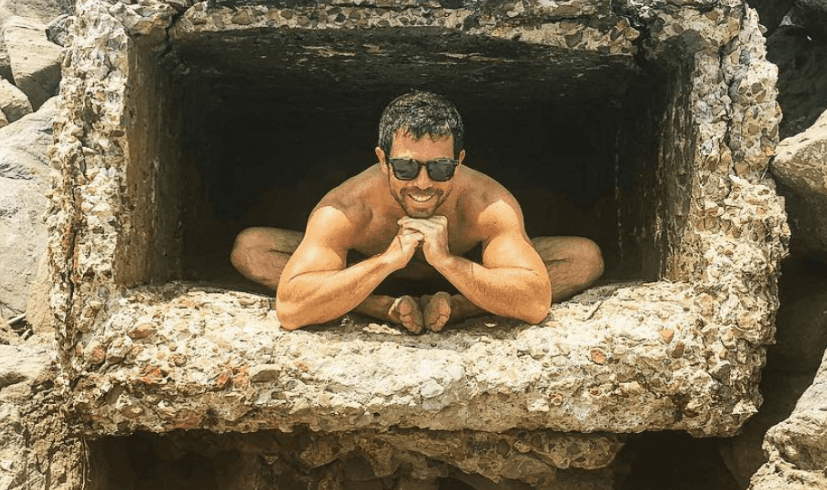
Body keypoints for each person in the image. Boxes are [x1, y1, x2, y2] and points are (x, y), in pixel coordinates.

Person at [230, 91, 604, 333]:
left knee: (583, 258)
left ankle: (461, 308)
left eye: (440, 168)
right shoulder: (348, 208)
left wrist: (448, 262)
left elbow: (535, 302)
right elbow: (291, 308)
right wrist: (385, 261)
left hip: (470, 277)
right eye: (406, 168)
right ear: (383, 161)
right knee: (252, 249)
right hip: (367, 276)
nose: (423, 183)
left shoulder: (486, 202)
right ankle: (376, 307)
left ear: (458, 162)